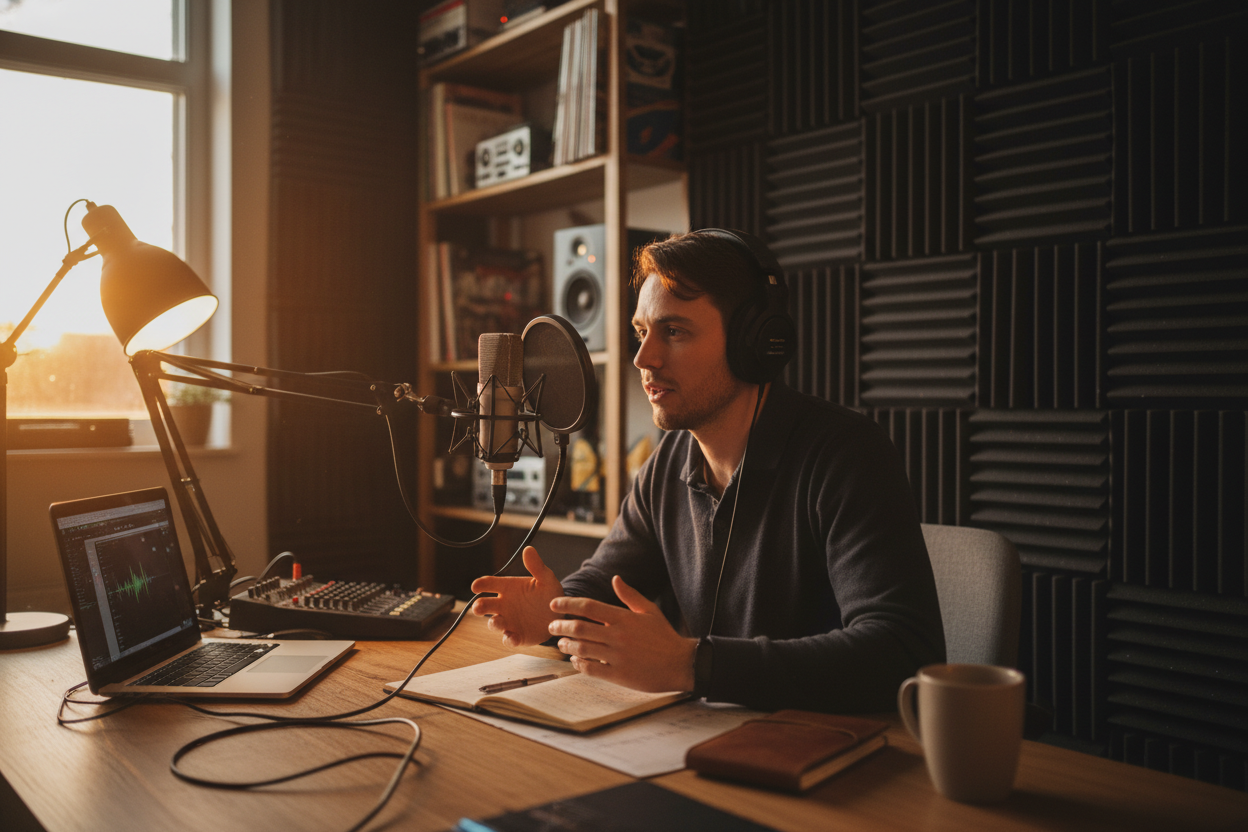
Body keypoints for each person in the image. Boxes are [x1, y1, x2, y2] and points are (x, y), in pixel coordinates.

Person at [470, 229, 945, 712]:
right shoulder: (670, 461)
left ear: (753, 342)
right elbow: (605, 584)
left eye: (674, 331)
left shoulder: (845, 455)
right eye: (641, 332)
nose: (643, 358)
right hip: (702, 741)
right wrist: (554, 614)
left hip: (821, 756)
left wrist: (692, 665)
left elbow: (900, 653)